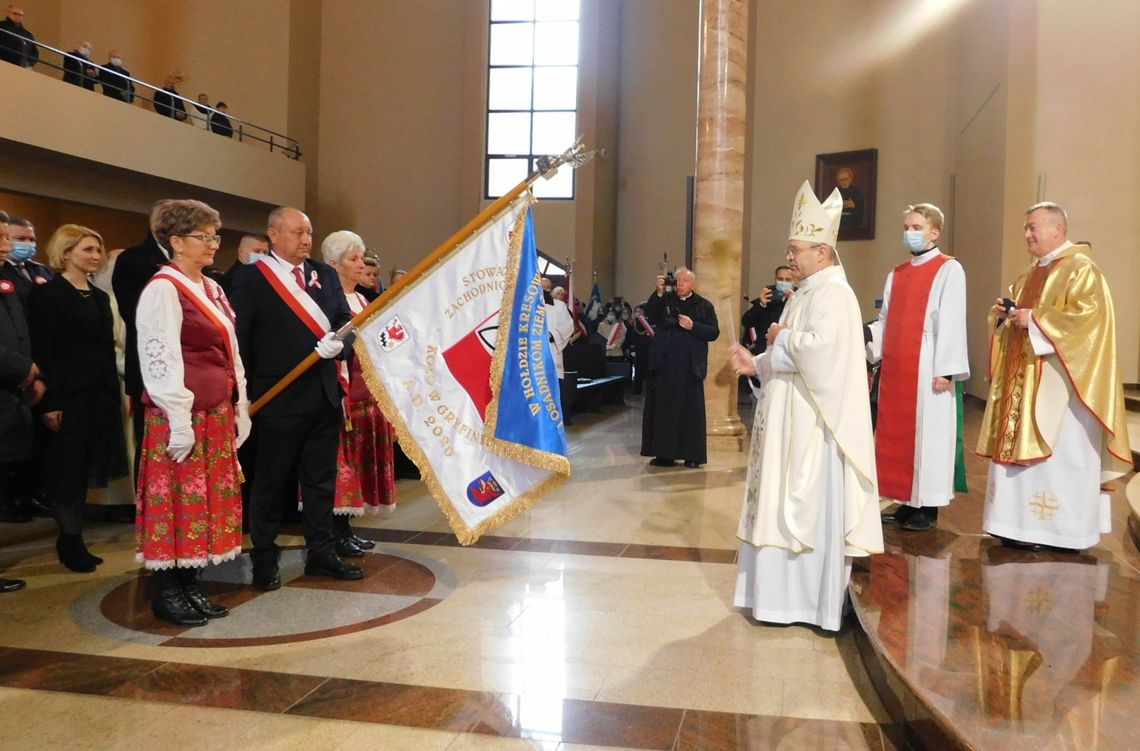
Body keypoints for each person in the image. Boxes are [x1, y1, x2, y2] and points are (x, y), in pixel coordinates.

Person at [729, 180, 882, 632]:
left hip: (813, 429)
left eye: (795, 250)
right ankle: (775, 599)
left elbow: (823, 355)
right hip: (788, 422)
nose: (789, 258)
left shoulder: (835, 294)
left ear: (822, 251)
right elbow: (790, 353)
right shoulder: (808, 292)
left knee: (802, 509)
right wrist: (756, 363)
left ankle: (806, 602)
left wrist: (781, 338)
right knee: (778, 503)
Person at [978, 202, 1132, 552]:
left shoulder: (1082, 269)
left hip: (1063, 389)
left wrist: (1034, 319)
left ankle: (1059, 533)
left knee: (1063, 456)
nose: (1027, 234)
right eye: (1026, 228)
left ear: (1057, 229)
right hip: (1024, 380)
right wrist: (1003, 316)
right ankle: (1015, 524)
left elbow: (1089, 322)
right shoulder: (1029, 273)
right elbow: (1017, 315)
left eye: (1032, 227)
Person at [229, 207, 360, 591]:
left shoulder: (324, 274)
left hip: (323, 393)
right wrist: (245, 395)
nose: (305, 240)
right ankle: (264, 556)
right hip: (278, 397)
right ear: (273, 234)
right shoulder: (251, 278)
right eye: (297, 232)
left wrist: (339, 345)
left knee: (320, 481)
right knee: (271, 482)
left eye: (309, 233)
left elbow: (345, 321)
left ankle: (322, 552)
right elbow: (242, 338)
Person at [134, 200, 249, 626]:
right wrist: (178, 419)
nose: (213, 244)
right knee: (178, 502)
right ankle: (168, 592)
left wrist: (240, 404)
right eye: (204, 237)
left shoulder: (211, 287)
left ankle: (190, 583)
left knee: (204, 502)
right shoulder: (163, 288)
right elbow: (159, 357)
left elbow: (230, 349)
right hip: (180, 415)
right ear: (177, 242)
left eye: (215, 236)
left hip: (213, 411)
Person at [28, 225, 128, 572]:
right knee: (65, 472)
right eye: (88, 249)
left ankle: (73, 537)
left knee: (85, 468)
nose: (96, 256)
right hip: (66, 396)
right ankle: (69, 540)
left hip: (99, 395)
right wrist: (51, 402)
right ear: (66, 252)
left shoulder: (99, 297)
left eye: (98, 250)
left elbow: (105, 349)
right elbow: (44, 349)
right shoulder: (47, 294)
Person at [867, 204, 969, 531]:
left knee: (929, 437)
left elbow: (952, 320)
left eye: (917, 227)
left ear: (934, 232)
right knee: (896, 437)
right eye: (907, 227)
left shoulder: (948, 269)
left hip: (928, 365)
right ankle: (905, 500)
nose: (909, 232)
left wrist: (946, 368)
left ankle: (928, 507)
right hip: (897, 366)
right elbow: (885, 320)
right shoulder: (897, 272)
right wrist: (867, 338)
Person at [322, 230, 397, 544]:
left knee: (361, 465)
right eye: (353, 259)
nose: (360, 265)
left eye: (361, 258)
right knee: (343, 465)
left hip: (367, 393)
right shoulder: (327, 301)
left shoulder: (362, 299)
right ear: (333, 264)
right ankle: (334, 532)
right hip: (344, 395)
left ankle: (347, 529)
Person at [113, 200, 175, 474]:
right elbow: (134, 314)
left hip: (188, 365)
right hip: (149, 363)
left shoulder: (193, 261)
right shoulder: (133, 260)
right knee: (150, 439)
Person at [640, 266, 719, 469]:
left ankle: (692, 455)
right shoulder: (665, 300)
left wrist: (694, 326)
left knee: (690, 412)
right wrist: (658, 292)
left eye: (685, 280)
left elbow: (713, 332)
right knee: (663, 411)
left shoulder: (703, 305)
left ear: (693, 284)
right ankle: (664, 455)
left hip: (690, 368)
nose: (681, 284)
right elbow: (650, 314)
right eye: (678, 280)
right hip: (664, 366)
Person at [0, 210, 43, 563]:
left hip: (12, 389)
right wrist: (22, 367)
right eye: (1, 238)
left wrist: (33, 371)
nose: (7, 246)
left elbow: (21, 330)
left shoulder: (7, 280)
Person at [0, 216, 53, 308]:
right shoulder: (2, 270)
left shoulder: (42, 270)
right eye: (20, 239)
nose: (28, 243)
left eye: (32, 240)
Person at [741, 265, 794, 355]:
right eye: (780, 279)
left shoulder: (799, 297)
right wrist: (761, 304)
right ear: (775, 279)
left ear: (794, 280)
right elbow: (746, 322)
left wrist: (794, 302)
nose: (783, 282)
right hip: (763, 350)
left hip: (787, 351)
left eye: (788, 279)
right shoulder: (767, 295)